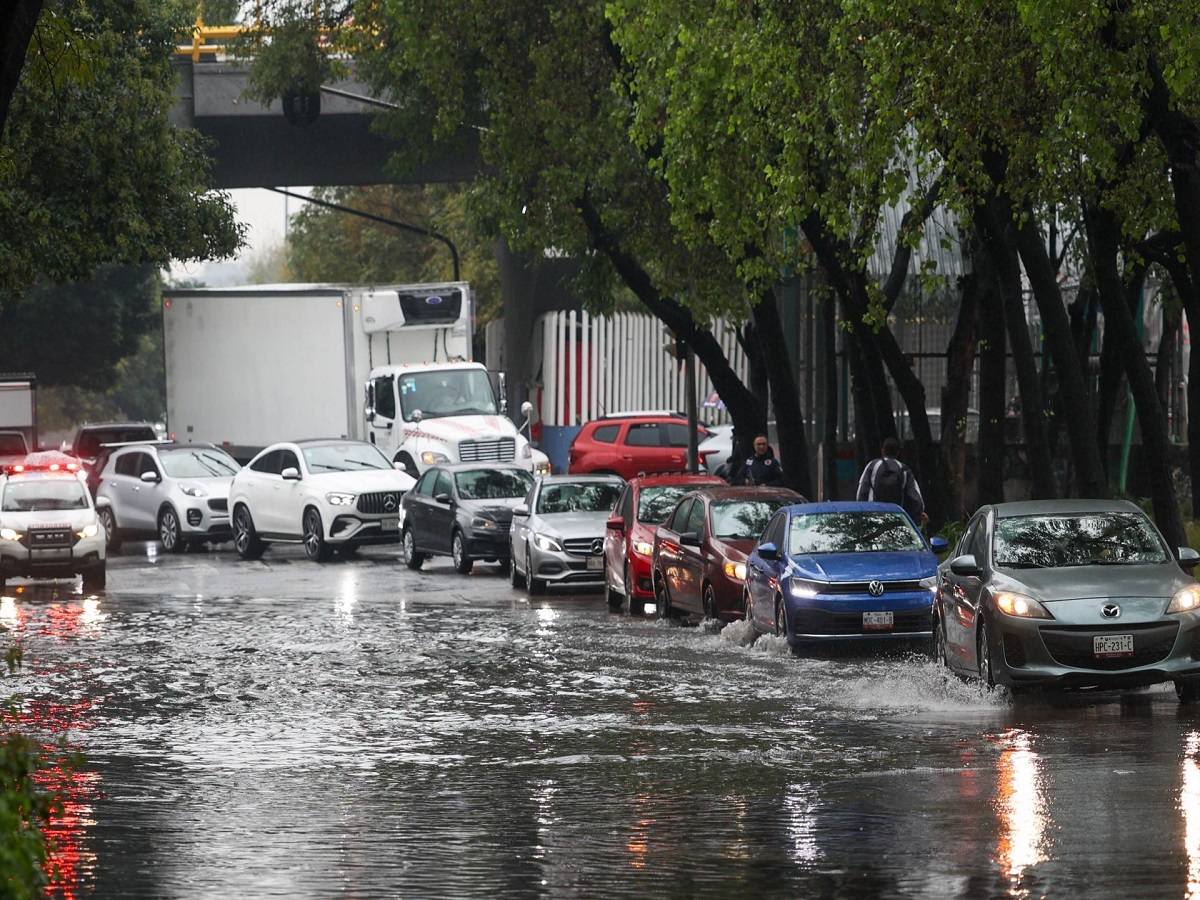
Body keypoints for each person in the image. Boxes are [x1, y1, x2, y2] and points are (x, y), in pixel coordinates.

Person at [857, 437, 927, 523]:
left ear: (882, 450)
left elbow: (862, 491)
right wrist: (919, 513)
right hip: (896, 519)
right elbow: (915, 497)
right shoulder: (904, 469)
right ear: (898, 452)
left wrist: (861, 515)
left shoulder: (872, 465)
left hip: (873, 517)